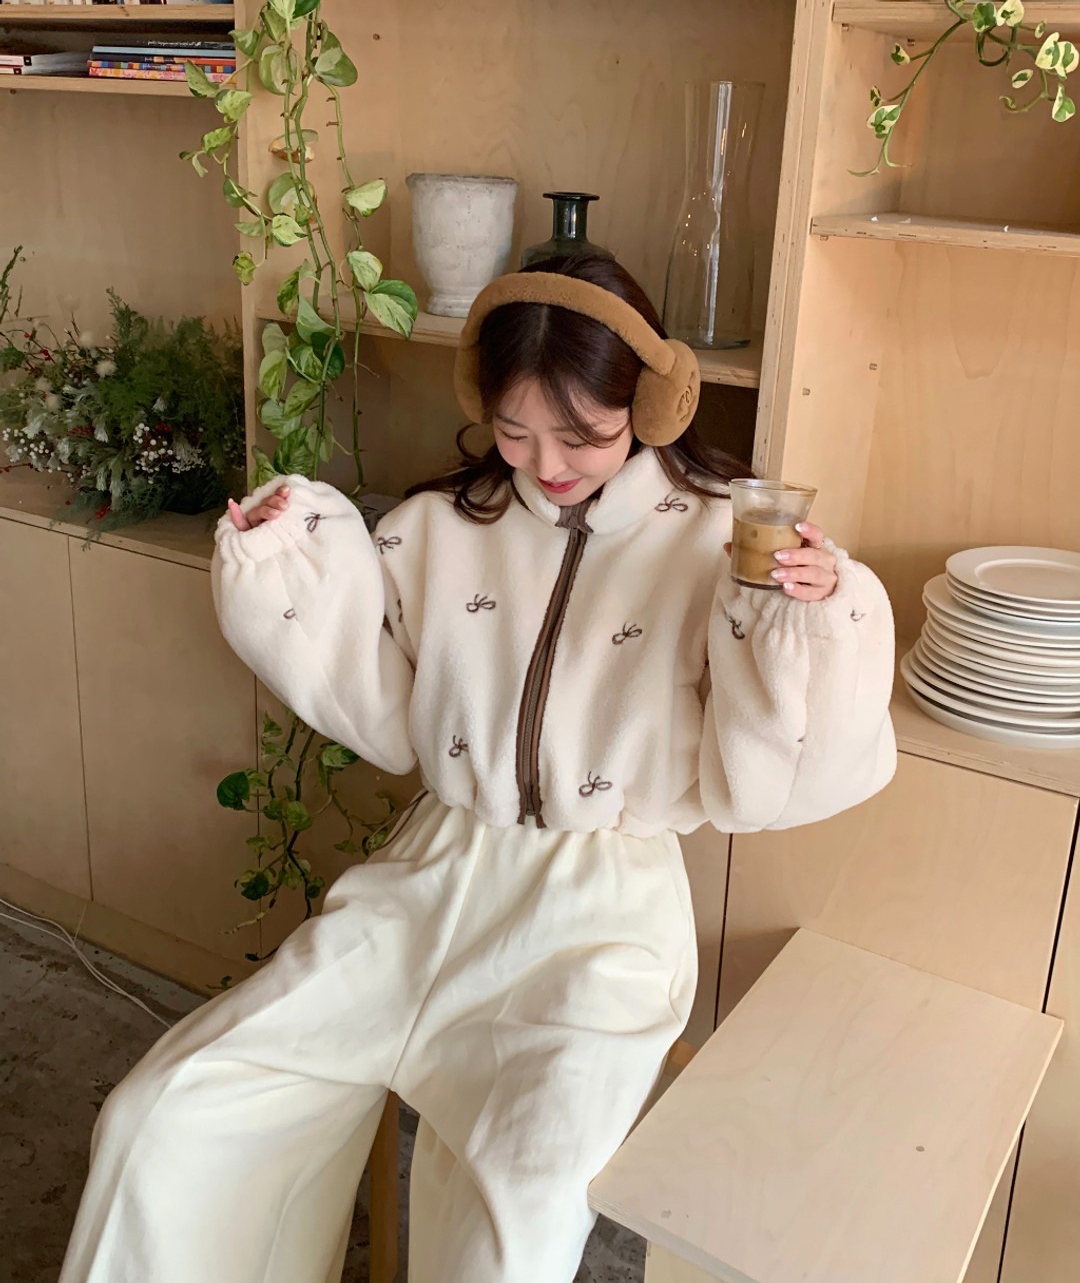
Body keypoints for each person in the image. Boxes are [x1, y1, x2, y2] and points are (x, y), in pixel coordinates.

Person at [59, 254, 896, 1283]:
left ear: (650, 403)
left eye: (582, 435)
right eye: (514, 430)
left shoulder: (723, 537)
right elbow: (383, 710)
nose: (547, 464)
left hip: (599, 923)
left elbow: (771, 779)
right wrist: (289, 562)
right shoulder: (445, 526)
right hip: (428, 879)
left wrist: (808, 619)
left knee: (518, 1211)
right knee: (166, 1115)